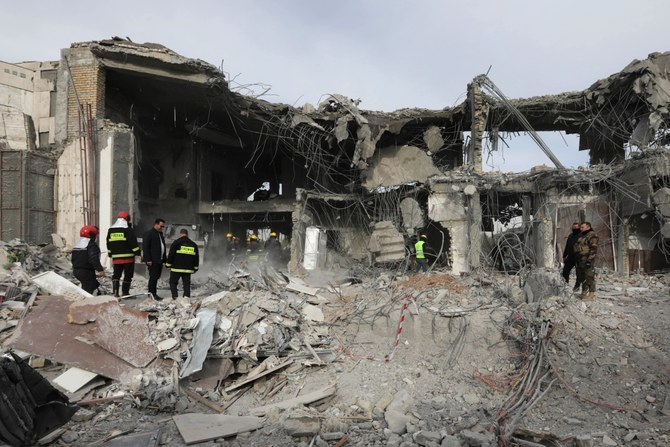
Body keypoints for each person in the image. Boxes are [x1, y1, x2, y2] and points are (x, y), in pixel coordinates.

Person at [106, 211, 141, 297]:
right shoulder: (128, 230)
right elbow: (132, 243)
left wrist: (111, 254)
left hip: (116, 258)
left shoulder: (111, 230)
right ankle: (125, 293)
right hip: (128, 258)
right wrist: (138, 253)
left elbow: (108, 243)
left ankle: (115, 292)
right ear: (126, 220)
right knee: (128, 275)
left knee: (116, 275)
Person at [165, 229, 199, 299]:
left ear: (180, 234)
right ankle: (186, 298)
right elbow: (196, 257)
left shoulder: (176, 243)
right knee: (186, 284)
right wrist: (195, 268)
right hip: (187, 269)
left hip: (176, 268)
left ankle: (175, 297)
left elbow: (171, 255)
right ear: (187, 234)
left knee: (173, 283)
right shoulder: (193, 244)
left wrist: (168, 265)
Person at [71, 225, 105, 294]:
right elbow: (93, 258)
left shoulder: (78, 245)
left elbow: (73, 259)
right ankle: (86, 303)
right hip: (86, 272)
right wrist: (100, 270)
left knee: (93, 284)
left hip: (76, 271)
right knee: (88, 290)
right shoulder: (91, 245)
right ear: (92, 235)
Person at [143, 218, 167, 300]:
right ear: (156, 224)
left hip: (159, 260)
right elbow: (146, 247)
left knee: (156, 277)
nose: (162, 228)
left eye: (163, 226)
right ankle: (152, 294)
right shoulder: (149, 234)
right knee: (153, 277)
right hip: (153, 260)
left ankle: (154, 293)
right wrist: (148, 259)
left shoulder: (160, 234)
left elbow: (162, 247)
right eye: (161, 226)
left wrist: (165, 259)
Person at [574, 222, 599, 300]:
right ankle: (584, 293)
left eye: (582, 227)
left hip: (587, 259)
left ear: (588, 227)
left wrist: (589, 260)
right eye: (580, 227)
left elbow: (593, 249)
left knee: (589, 276)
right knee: (582, 276)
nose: (580, 229)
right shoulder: (582, 236)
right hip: (580, 259)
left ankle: (591, 295)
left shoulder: (592, 235)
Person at [561, 222, 581, 289]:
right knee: (565, 271)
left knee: (578, 272)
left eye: (576, 227)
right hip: (570, 256)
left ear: (579, 228)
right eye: (573, 227)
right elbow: (567, 246)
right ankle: (565, 284)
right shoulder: (571, 236)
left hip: (578, 257)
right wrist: (564, 255)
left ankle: (577, 286)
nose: (574, 229)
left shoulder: (581, 236)